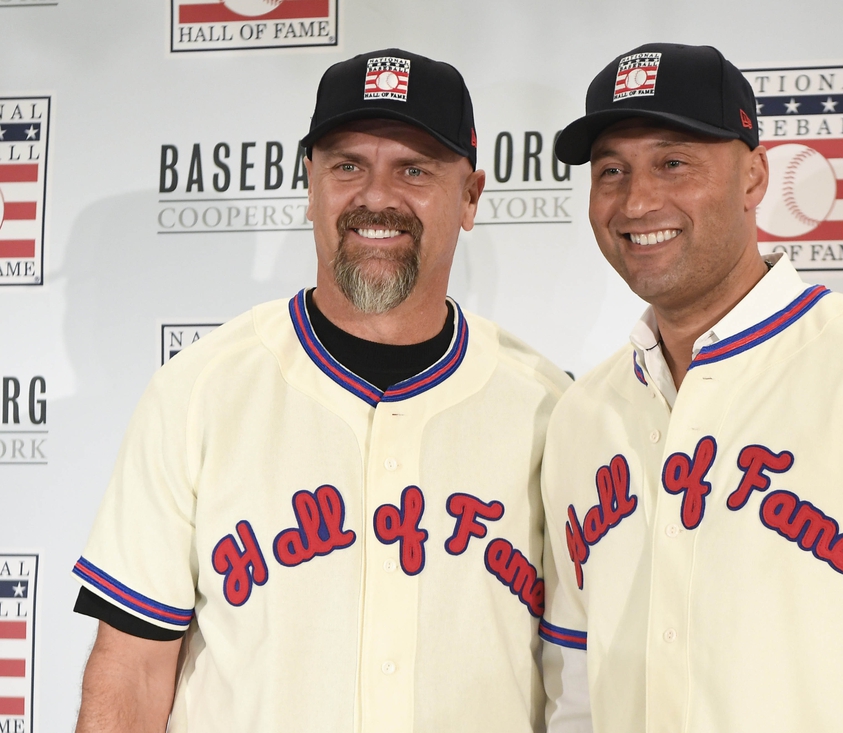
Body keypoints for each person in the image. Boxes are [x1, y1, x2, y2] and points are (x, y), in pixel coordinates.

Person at [72, 48, 570, 733]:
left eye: (414, 169)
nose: (375, 196)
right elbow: (130, 668)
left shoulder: (549, 407)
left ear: (471, 196)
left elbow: (585, 678)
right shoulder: (200, 389)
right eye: (347, 165)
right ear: (311, 186)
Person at [539, 42, 843, 733]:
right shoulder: (582, 413)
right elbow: (577, 694)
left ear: (754, 177)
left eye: (674, 162)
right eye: (611, 170)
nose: (638, 200)